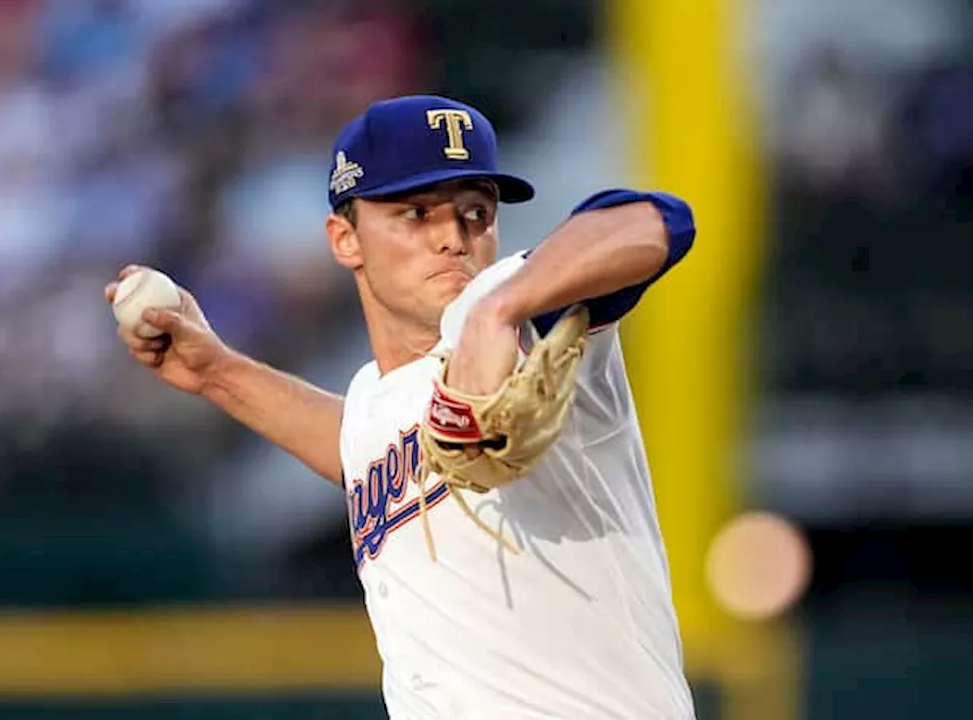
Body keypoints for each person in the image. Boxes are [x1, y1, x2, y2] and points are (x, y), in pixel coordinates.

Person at [107, 94, 698, 719]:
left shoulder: (519, 308)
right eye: (416, 213)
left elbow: (658, 221)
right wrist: (218, 373)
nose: (454, 238)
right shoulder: (376, 404)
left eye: (475, 212)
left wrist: (500, 311)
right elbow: (359, 443)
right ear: (345, 238)